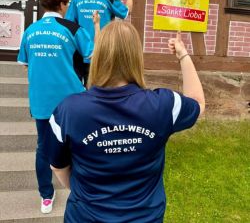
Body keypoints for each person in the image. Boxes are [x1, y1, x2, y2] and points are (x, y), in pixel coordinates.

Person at [46, 21, 205, 223]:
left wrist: (83, 192)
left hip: (85, 216)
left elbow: (58, 166)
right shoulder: (162, 105)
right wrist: (183, 54)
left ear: (99, 55)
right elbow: (198, 102)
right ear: (136, 57)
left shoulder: (68, 111)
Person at [17, 0, 100, 214]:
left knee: (43, 148)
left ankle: (46, 195)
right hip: (72, 102)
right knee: (82, 144)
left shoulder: (30, 30)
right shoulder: (72, 29)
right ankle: (83, 189)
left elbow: (25, 63)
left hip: (41, 102)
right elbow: (93, 55)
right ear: (63, 4)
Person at [65, 0, 133, 84]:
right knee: (98, 87)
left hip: (80, 51)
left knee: (80, 88)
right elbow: (127, 11)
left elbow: (68, 25)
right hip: (103, 50)